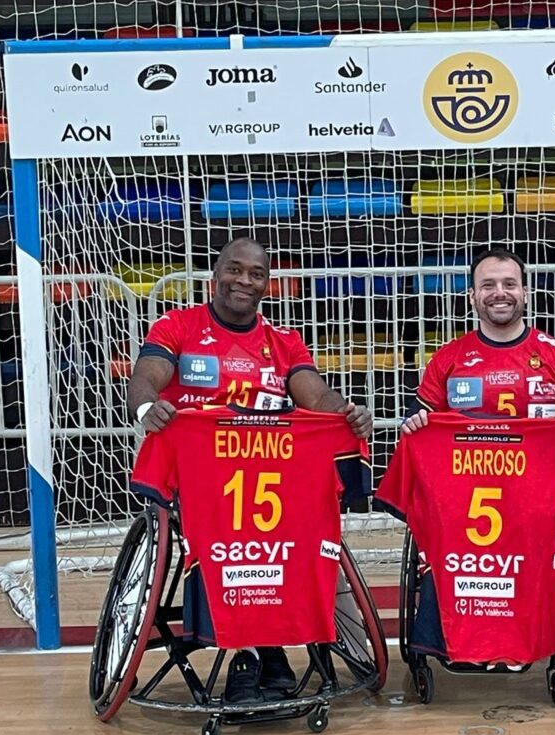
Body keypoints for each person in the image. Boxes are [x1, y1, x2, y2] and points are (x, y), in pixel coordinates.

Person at [126, 237, 372, 703]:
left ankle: (271, 646)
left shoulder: (283, 342)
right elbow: (146, 376)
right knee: (231, 534)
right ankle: (254, 652)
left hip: (271, 486)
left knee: (305, 525)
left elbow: (317, 396)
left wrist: (345, 413)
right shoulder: (178, 326)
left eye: (257, 274)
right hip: (203, 487)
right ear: (215, 276)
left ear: (267, 284)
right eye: (235, 269)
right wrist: (145, 408)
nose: (245, 280)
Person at [402, 247, 555, 458]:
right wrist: (413, 425)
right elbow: (412, 426)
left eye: (510, 284)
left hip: (545, 476)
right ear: (472, 296)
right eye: (488, 285)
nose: (500, 293)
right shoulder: (447, 358)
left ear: (525, 293)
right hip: (469, 477)